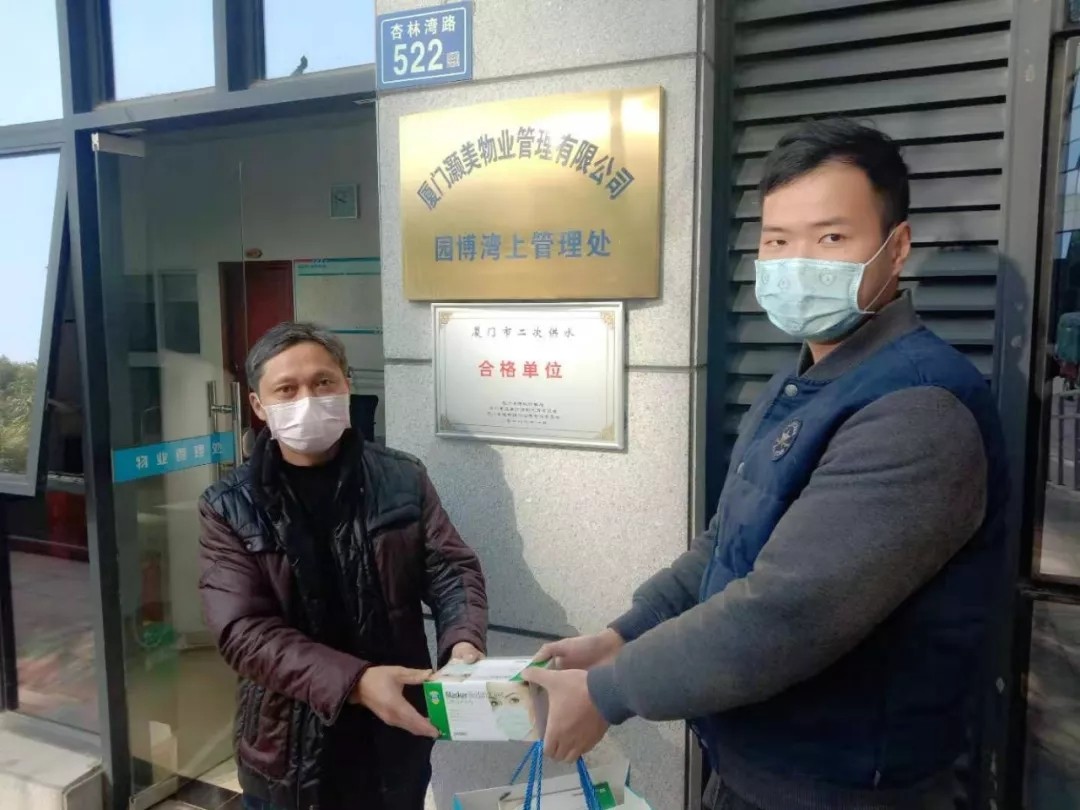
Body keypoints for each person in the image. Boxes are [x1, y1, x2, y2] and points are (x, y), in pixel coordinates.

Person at [525, 119, 1009, 810]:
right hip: (758, 771)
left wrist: (607, 692)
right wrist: (619, 636)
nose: (798, 262)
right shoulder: (802, 383)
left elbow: (786, 612)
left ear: (897, 247)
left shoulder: (920, 409)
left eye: (831, 238)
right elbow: (724, 545)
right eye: (778, 241)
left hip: (845, 792)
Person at [198, 322, 488, 810]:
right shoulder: (229, 505)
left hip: (393, 743)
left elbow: (450, 569)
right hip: (288, 755)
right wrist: (356, 682)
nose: (308, 399)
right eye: (287, 389)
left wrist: (462, 641)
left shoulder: (401, 477)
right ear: (258, 405)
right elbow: (243, 631)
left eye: (323, 382)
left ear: (347, 384)